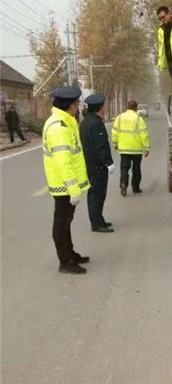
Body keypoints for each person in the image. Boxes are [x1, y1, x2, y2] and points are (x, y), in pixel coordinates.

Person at [42, 86, 90, 274]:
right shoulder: (59, 128)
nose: (78, 106)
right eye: (77, 103)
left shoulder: (64, 122)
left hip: (65, 184)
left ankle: (70, 254)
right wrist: (73, 189)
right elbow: (63, 162)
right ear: (70, 106)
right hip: (64, 185)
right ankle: (65, 262)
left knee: (66, 221)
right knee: (62, 223)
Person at [79, 93, 115, 233]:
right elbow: (100, 146)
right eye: (102, 107)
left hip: (90, 163)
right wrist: (108, 162)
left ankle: (98, 219)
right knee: (97, 195)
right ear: (99, 109)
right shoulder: (96, 124)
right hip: (98, 165)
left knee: (94, 194)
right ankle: (97, 223)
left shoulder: (85, 123)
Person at [111, 99, 150, 196]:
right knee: (136, 169)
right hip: (136, 150)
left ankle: (123, 183)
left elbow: (114, 132)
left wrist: (115, 143)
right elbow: (144, 134)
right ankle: (136, 188)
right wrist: (146, 148)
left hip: (124, 149)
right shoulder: (139, 119)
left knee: (124, 168)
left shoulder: (119, 118)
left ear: (127, 107)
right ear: (136, 108)